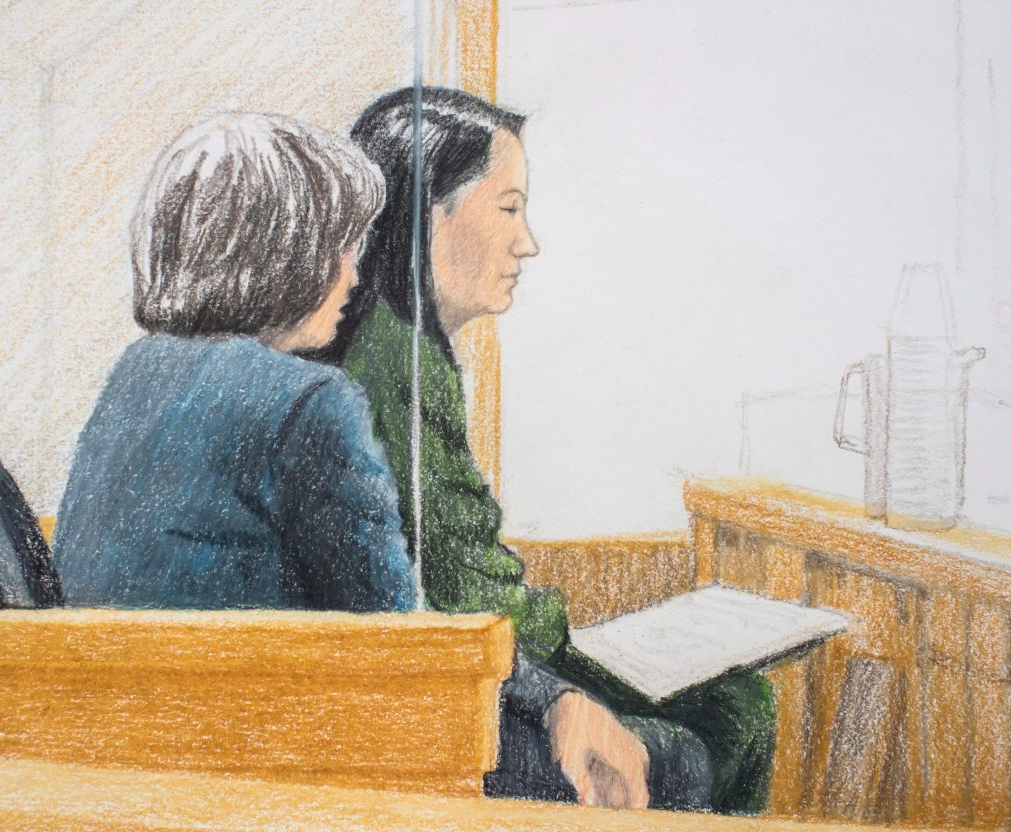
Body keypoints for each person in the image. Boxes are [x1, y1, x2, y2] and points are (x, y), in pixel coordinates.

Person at [318, 87, 776, 813]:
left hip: (469, 668)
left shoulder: (395, 344)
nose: (526, 242)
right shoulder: (395, 361)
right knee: (726, 722)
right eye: (508, 209)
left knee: (735, 703)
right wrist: (565, 662)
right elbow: (461, 591)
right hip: (448, 690)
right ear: (428, 216)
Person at [52, 113, 415, 614]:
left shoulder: (139, 369)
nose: (355, 276)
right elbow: (387, 616)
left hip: (108, 662)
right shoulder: (313, 400)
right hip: (242, 666)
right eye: (345, 247)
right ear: (291, 254)